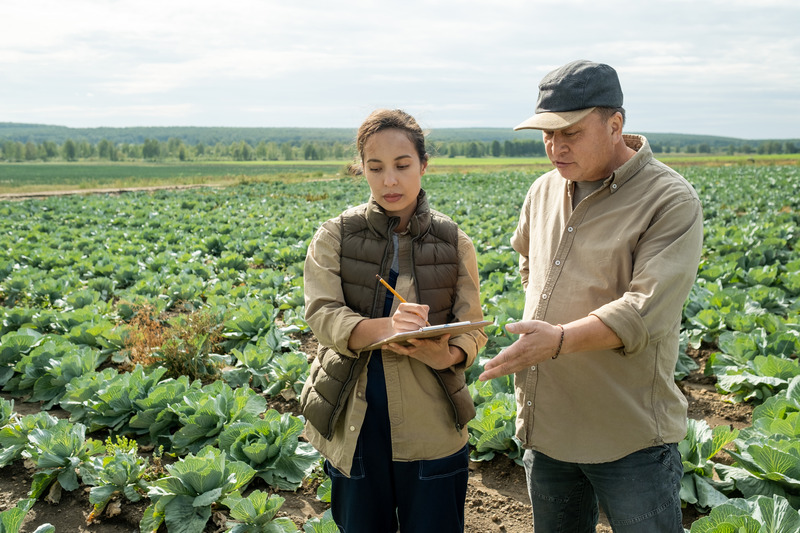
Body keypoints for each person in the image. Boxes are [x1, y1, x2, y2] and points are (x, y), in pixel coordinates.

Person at [479, 60, 704, 532]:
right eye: (546, 134)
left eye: (571, 133)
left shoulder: (669, 200)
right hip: (549, 427)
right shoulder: (543, 190)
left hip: (627, 436)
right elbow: (527, 258)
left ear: (615, 124)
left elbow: (644, 310)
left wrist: (559, 338)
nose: (555, 147)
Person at [300, 108, 487, 533]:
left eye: (403, 166)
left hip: (433, 425)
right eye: (375, 167)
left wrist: (447, 354)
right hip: (355, 424)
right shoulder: (335, 235)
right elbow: (322, 314)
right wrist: (387, 327)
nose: (390, 181)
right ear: (361, 169)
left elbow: (473, 325)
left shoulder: (454, 241)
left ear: (423, 165)